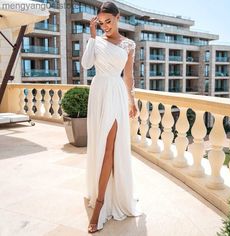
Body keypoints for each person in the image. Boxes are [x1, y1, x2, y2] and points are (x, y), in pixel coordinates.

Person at [81, 1, 142, 233]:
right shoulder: (97, 41)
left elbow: (128, 75)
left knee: (109, 147)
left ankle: (99, 206)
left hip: (116, 94)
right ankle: (104, 193)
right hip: (98, 93)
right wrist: (92, 36)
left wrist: (132, 100)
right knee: (99, 144)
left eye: (109, 21)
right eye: (101, 22)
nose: (105, 26)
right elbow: (86, 65)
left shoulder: (128, 44)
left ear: (118, 18)